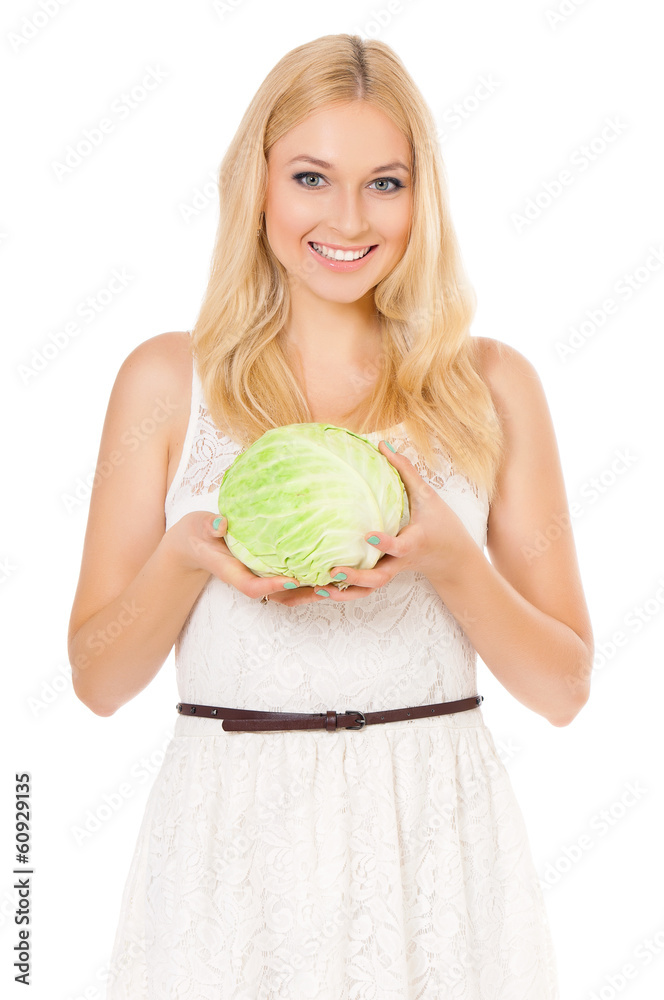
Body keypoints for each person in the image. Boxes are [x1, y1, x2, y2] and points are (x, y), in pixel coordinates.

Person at [67, 32, 593, 1000]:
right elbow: (97, 680)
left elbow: (564, 688)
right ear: (258, 182)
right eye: (311, 177)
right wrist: (184, 557)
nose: (349, 218)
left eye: (385, 183)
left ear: (421, 197)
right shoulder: (165, 380)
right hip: (230, 849)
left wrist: (455, 564)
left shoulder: (490, 385)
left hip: (435, 846)